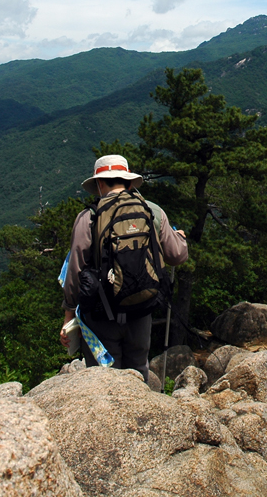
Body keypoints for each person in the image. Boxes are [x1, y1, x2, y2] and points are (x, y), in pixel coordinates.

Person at [60, 154, 188, 380]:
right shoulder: (153, 211)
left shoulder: (89, 217)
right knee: (138, 372)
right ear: (129, 182)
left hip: (101, 317)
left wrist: (69, 315)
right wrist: (179, 238)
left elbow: (75, 271)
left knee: (103, 380)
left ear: (99, 184)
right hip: (141, 312)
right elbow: (177, 255)